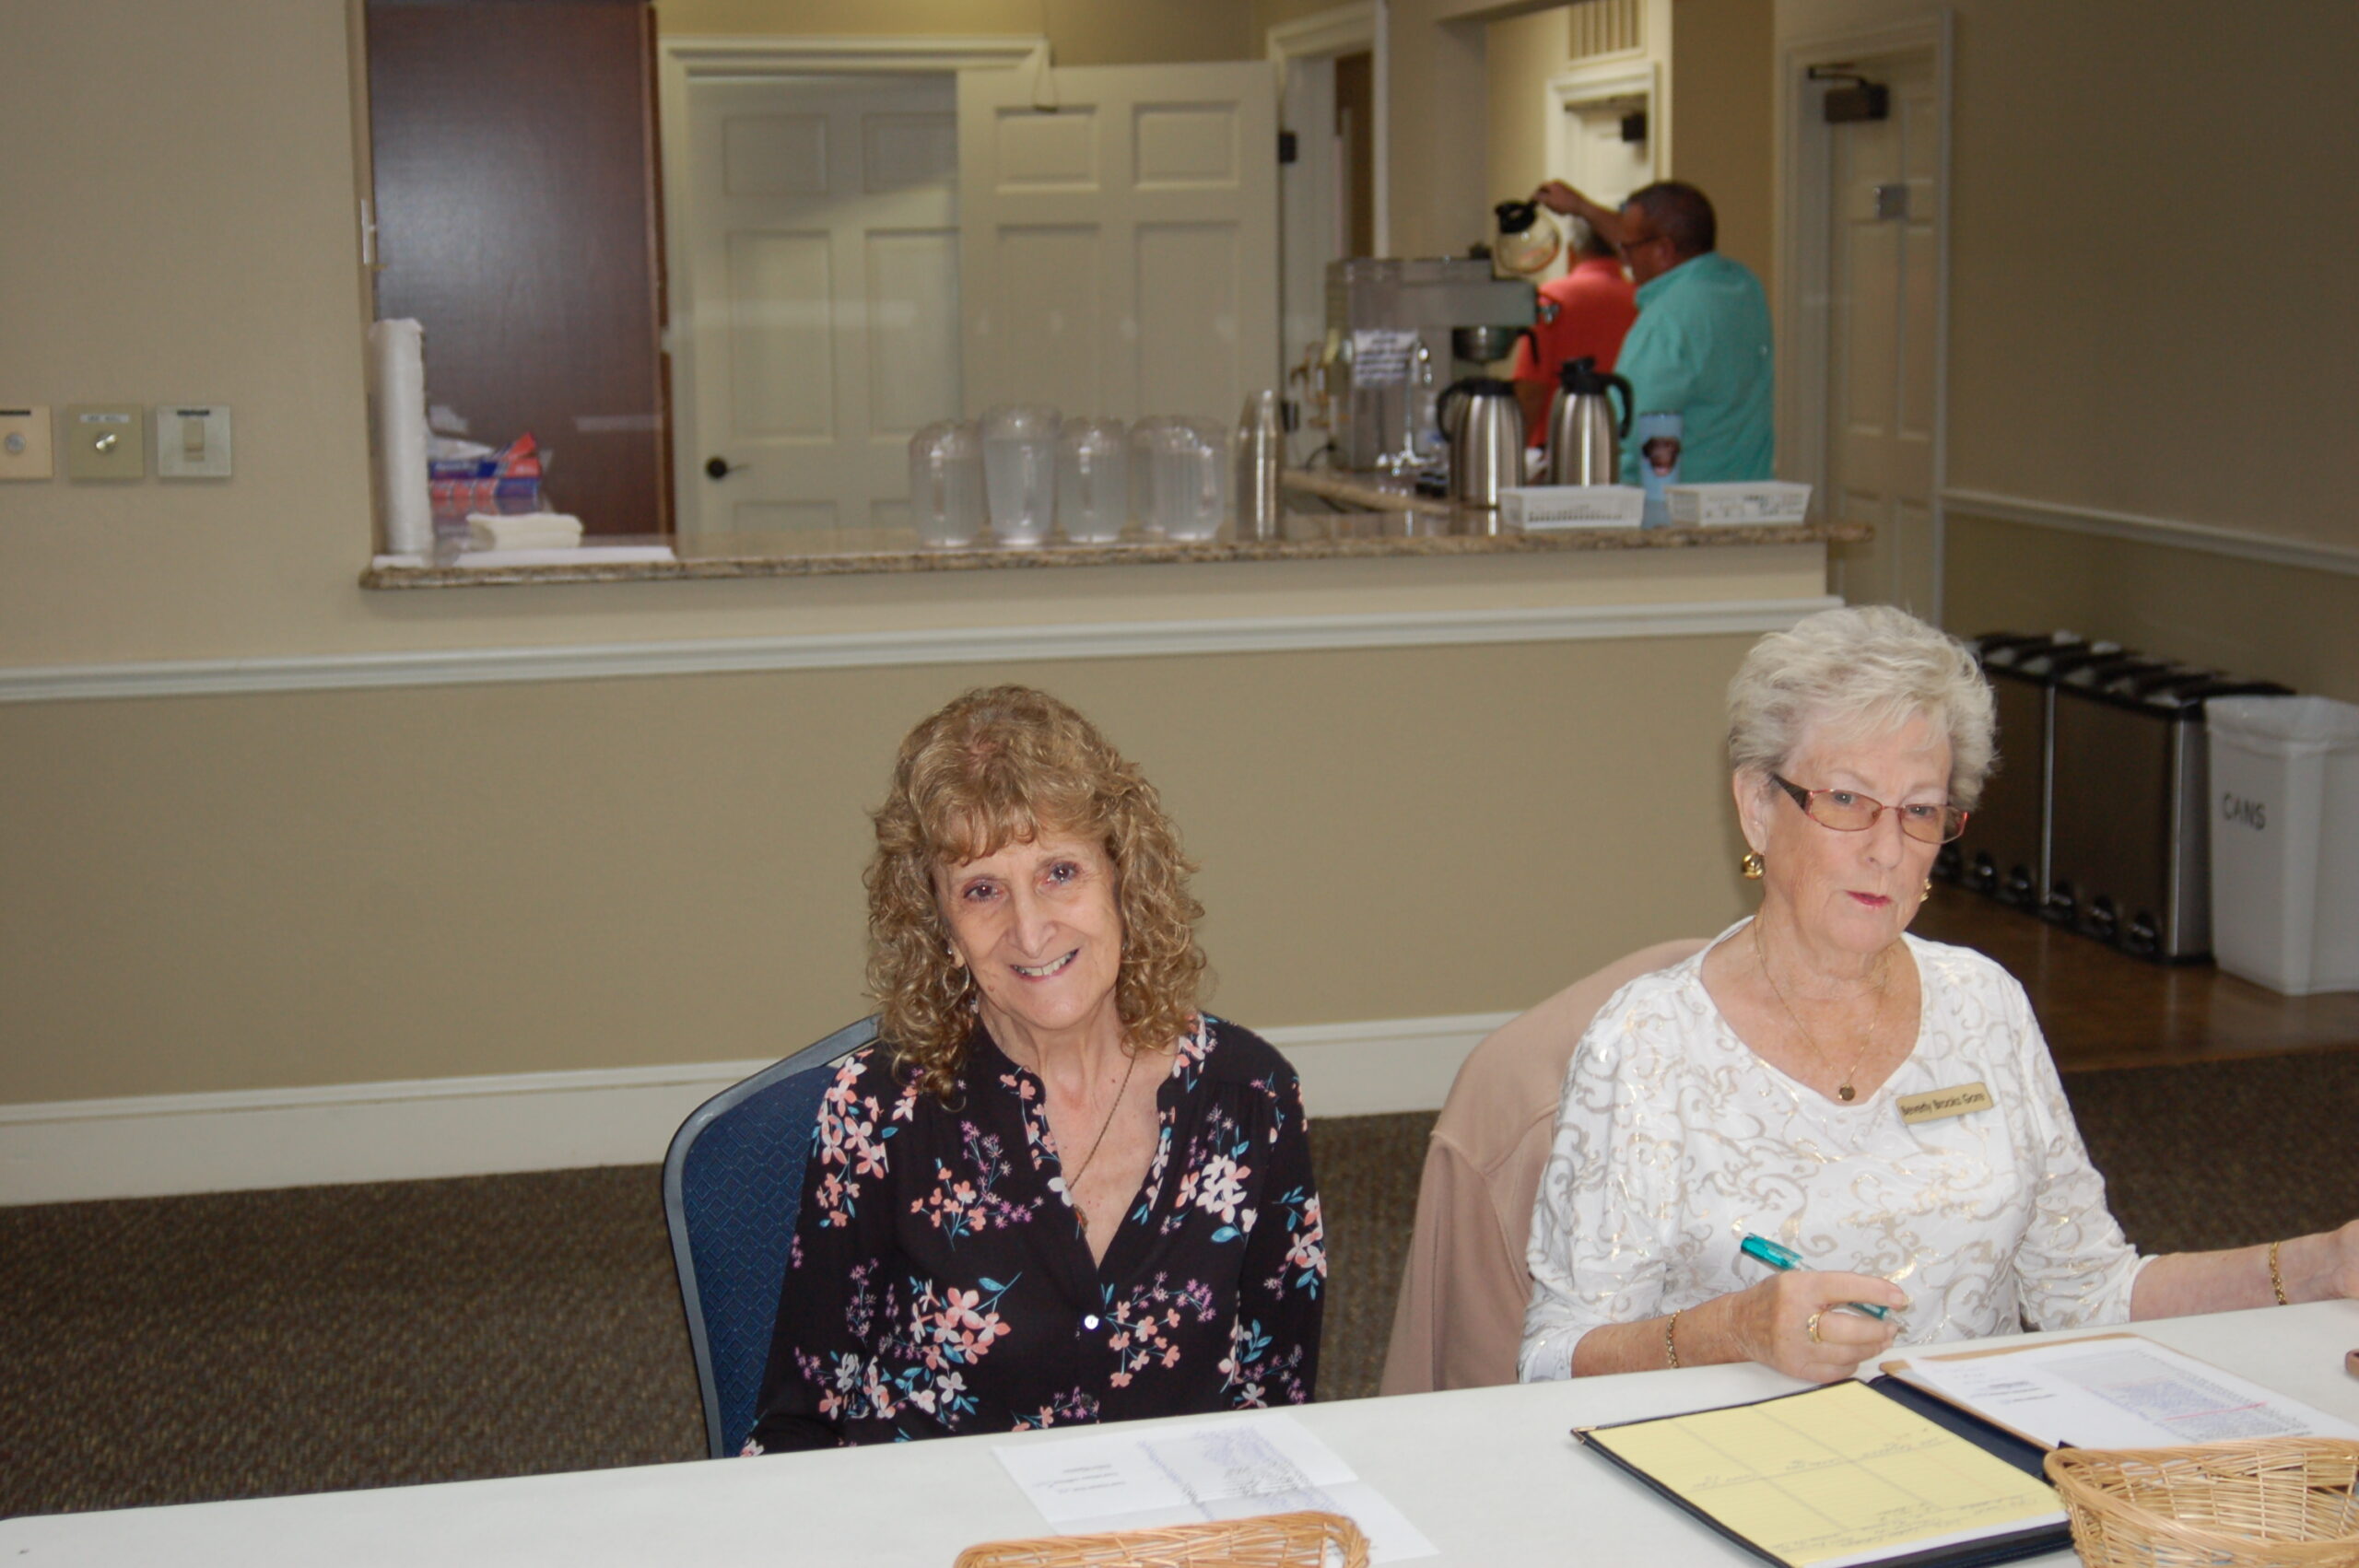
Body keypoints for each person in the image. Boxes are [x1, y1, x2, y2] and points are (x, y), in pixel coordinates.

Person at [1520, 605, 2359, 1384]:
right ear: (1758, 809)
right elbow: (1553, 1362)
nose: (1888, 849)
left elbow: (2090, 1290)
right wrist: (1732, 1330)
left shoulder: (1984, 1005)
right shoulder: (1646, 1044)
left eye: (1921, 812)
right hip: (1733, 1470)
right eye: (1847, 800)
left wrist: (2316, 1265)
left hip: (1972, 1458)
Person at [743, 685, 1324, 1450]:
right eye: (982, 890)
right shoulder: (880, 1114)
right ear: (941, 924)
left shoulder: (1249, 1098)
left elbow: (1280, 1400)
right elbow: (802, 1422)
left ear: (1121, 876)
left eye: (1059, 873)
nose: (1029, 929)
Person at [1532, 178, 1773, 487]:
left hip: (1675, 512)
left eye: (1628, 249)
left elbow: (1629, 435)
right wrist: (1581, 208)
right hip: (1749, 504)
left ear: (1664, 250)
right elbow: (1645, 237)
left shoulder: (1667, 320)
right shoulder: (1744, 288)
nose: (1624, 259)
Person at [1509, 216, 1637, 448]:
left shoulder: (1551, 300)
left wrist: (1514, 456)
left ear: (1570, 253)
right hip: (1626, 444)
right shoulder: (1640, 300)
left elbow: (1531, 392)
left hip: (1560, 449)